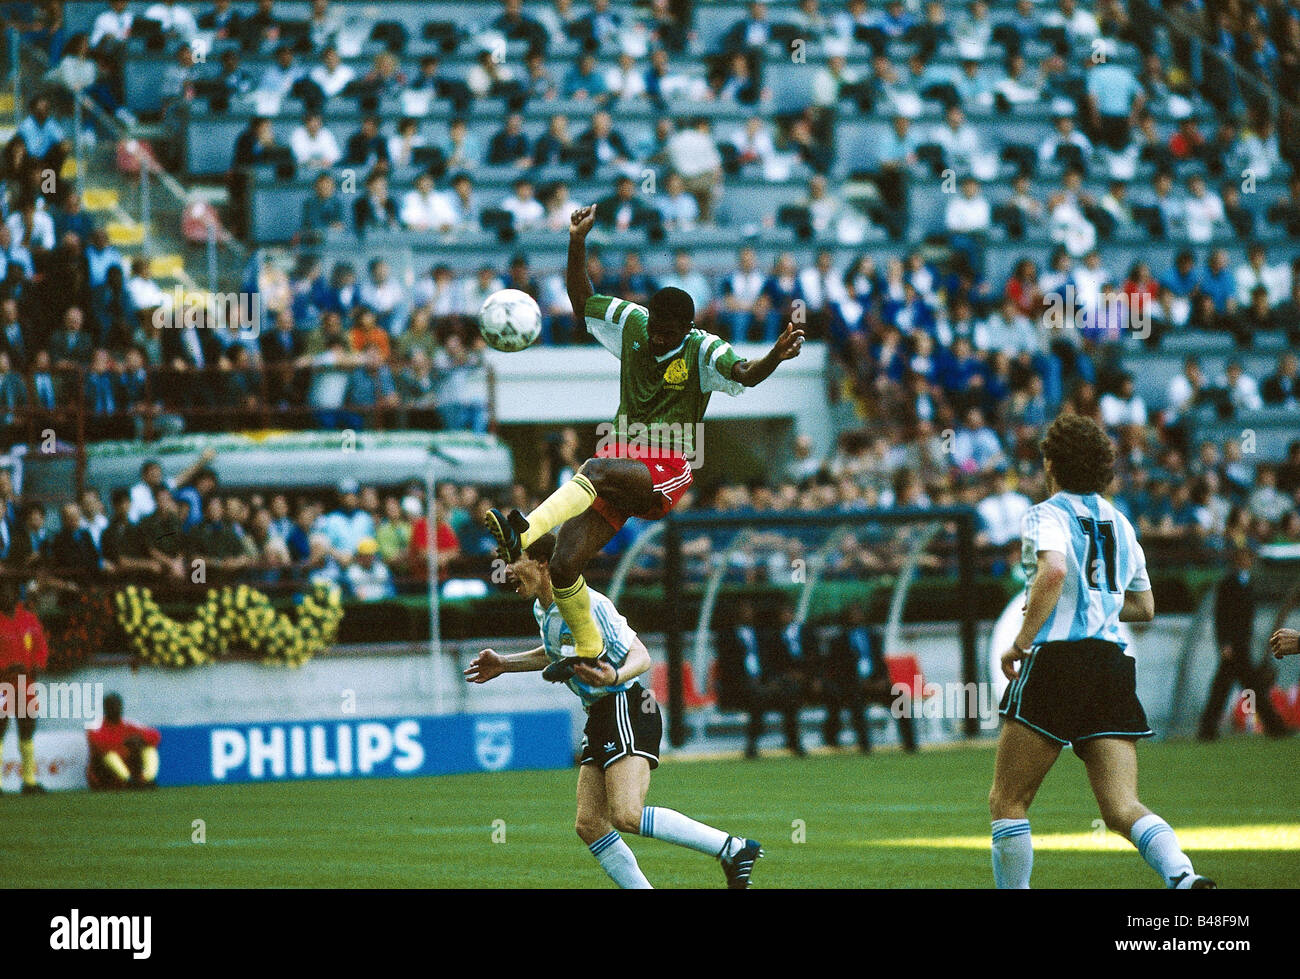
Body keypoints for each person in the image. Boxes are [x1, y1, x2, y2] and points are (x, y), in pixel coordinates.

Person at [484, 204, 804, 681]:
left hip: (668, 465)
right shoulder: (633, 323)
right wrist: (576, 241)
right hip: (620, 466)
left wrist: (774, 356)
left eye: (666, 332)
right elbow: (582, 300)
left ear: (686, 329)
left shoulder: (704, 349)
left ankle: (522, 533)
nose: (656, 336)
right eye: (653, 326)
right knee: (567, 563)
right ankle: (588, 647)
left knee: (594, 467)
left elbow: (744, 374)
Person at [464, 533, 763, 888]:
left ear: (543, 563)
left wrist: (615, 674)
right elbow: (557, 653)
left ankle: (732, 848)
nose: (507, 570)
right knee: (590, 824)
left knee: (626, 814)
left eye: (515, 561)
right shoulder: (543, 608)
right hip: (602, 713)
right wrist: (504, 663)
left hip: (625, 704)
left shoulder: (589, 603)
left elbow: (641, 655)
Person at [991, 413, 1215, 888]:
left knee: (1008, 801)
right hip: (1111, 666)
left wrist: (1021, 640)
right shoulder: (1120, 522)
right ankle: (1183, 875)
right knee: (1120, 807)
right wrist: (1097, 604)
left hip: (1057, 661)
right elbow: (1145, 607)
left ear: (1051, 462)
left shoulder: (1044, 514)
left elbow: (1051, 572)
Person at [1197, 548, 1290, 739]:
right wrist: (1224, 643)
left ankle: (1208, 730)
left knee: (1227, 689)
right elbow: (1221, 617)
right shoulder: (1227, 585)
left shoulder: (1247, 584)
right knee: (1236, 689)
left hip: (1241, 646)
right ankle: (1274, 727)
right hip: (1233, 647)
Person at [819, 604, 916, 752]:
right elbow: (836, 669)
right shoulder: (838, 641)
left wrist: (882, 680)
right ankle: (865, 746)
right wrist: (857, 682)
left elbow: (881, 662)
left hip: (875, 682)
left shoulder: (873, 636)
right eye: (854, 613)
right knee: (855, 701)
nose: (858, 616)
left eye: (859, 613)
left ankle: (910, 744)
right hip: (853, 685)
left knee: (899, 697)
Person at [716, 600, 806, 759]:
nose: (748, 614)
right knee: (757, 696)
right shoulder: (727, 637)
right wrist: (749, 680)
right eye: (744, 611)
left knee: (789, 694)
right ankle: (752, 744)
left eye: (750, 611)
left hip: (765, 683)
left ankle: (793, 741)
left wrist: (771, 680)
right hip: (740, 685)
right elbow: (727, 667)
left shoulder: (763, 635)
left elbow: (772, 662)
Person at [0, 578, 49, 794]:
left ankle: (29, 781)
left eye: (9, 591)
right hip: (2, 684)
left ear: (16, 594)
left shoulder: (29, 619)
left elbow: (41, 647)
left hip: (26, 683)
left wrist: (38, 664)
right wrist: (7, 667)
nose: (5, 596)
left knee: (27, 729)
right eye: (2, 593)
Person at [86, 692, 161, 790]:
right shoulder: (96, 726)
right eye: (112, 706)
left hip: (129, 767)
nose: (116, 709)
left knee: (149, 748)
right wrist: (125, 742)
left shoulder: (128, 724)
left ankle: (147, 779)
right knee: (108, 754)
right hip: (104, 776)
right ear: (105, 708)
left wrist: (140, 739)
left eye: (118, 706)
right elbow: (99, 745)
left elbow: (156, 735)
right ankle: (128, 780)